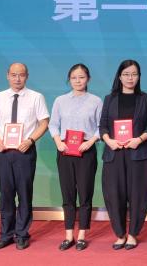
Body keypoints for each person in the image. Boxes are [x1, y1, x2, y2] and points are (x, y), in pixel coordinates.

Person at [0, 62, 49, 251]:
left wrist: (30, 140)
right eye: (14, 75)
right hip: (3, 152)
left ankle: (22, 234)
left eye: (21, 75)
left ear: (27, 76)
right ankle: (5, 235)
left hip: (24, 151)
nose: (17, 79)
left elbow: (44, 123)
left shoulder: (36, 97)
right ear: (7, 75)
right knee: (6, 194)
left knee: (24, 193)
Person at [99, 59, 147, 250]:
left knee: (139, 194)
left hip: (137, 153)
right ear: (119, 76)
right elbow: (103, 126)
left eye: (134, 74)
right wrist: (109, 141)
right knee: (114, 194)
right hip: (114, 153)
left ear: (139, 76)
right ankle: (120, 234)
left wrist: (139, 140)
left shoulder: (145, 98)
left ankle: (133, 234)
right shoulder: (109, 99)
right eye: (126, 74)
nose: (130, 78)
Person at [49, 63, 102, 251]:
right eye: (74, 78)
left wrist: (91, 141)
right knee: (68, 194)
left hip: (86, 151)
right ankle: (68, 235)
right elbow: (53, 124)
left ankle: (82, 236)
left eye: (81, 77)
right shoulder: (60, 101)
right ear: (69, 80)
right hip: (64, 150)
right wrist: (58, 142)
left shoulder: (96, 101)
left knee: (85, 194)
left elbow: (101, 127)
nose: (78, 81)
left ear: (88, 79)